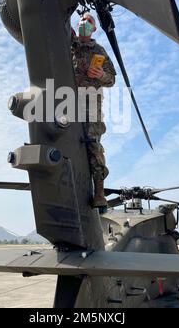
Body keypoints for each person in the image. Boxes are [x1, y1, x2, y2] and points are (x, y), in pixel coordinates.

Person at [71, 13, 116, 211]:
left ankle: (99, 192)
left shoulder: (99, 51)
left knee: (93, 142)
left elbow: (112, 80)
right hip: (66, 99)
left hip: (91, 103)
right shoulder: (69, 43)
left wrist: (101, 74)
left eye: (89, 21)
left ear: (94, 28)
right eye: (82, 20)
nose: (84, 23)